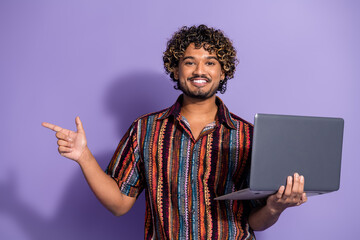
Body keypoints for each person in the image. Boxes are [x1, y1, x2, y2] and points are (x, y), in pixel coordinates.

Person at [42, 25, 307, 239]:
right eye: (189, 62)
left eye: (211, 62)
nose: (200, 70)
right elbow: (119, 204)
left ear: (223, 72)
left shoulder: (249, 135)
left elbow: (255, 221)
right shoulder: (144, 129)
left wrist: (275, 207)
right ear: (175, 69)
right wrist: (83, 156)